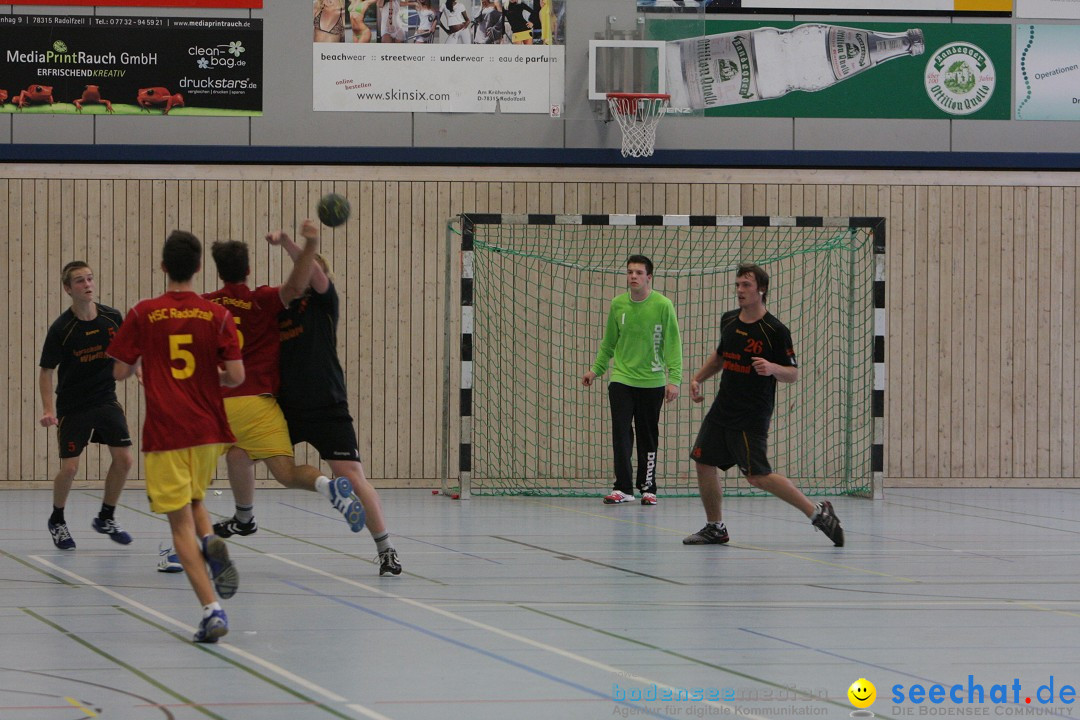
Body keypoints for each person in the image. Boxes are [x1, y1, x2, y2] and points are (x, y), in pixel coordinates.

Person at [109, 230, 245, 643]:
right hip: (208, 431)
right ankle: (211, 541)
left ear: (164, 267)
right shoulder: (217, 315)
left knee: (177, 526)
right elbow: (236, 377)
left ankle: (211, 610)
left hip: (167, 431)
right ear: (199, 268)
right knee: (196, 501)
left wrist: (141, 369)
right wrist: (210, 374)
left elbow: (118, 370)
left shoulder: (143, 312)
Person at [205, 221, 365, 539]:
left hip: (217, 405)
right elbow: (292, 288)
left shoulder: (205, 304)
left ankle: (179, 548)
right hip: (259, 404)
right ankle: (325, 487)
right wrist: (305, 244)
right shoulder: (262, 300)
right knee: (283, 471)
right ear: (248, 269)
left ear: (219, 271)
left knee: (193, 478)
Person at [684, 263, 844, 547]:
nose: (740, 290)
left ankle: (818, 513)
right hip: (722, 409)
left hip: (751, 415)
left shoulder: (775, 330)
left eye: (746, 285)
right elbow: (721, 356)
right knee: (703, 461)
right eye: (737, 285)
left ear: (761, 290)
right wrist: (698, 378)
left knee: (758, 476)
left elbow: (792, 373)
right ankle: (715, 527)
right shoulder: (729, 320)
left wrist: (772, 367)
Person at [276, 244, 402, 576]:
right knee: (244, 456)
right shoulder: (281, 310)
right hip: (286, 407)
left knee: (353, 476)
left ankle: (386, 550)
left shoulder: (325, 302)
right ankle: (223, 525)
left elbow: (314, 273)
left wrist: (292, 244)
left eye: (311, 268)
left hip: (327, 405)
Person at [38, 261, 135, 551]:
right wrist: (48, 410)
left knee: (125, 459)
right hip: (73, 404)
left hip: (105, 398)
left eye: (90, 279)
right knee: (69, 468)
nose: (88, 285)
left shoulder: (111, 317)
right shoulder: (62, 329)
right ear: (68, 289)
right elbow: (46, 370)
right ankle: (57, 519)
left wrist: (137, 369)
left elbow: (128, 350)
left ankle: (106, 516)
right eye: (80, 281)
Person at [582, 255, 682, 506]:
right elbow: (609, 343)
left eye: (639, 272)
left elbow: (673, 344)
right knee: (621, 434)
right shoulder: (618, 305)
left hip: (652, 381)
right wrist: (595, 370)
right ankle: (623, 488)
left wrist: (675, 379)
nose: (633, 276)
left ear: (649, 277)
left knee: (648, 436)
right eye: (630, 272)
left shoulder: (663, 305)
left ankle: (648, 487)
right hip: (622, 380)